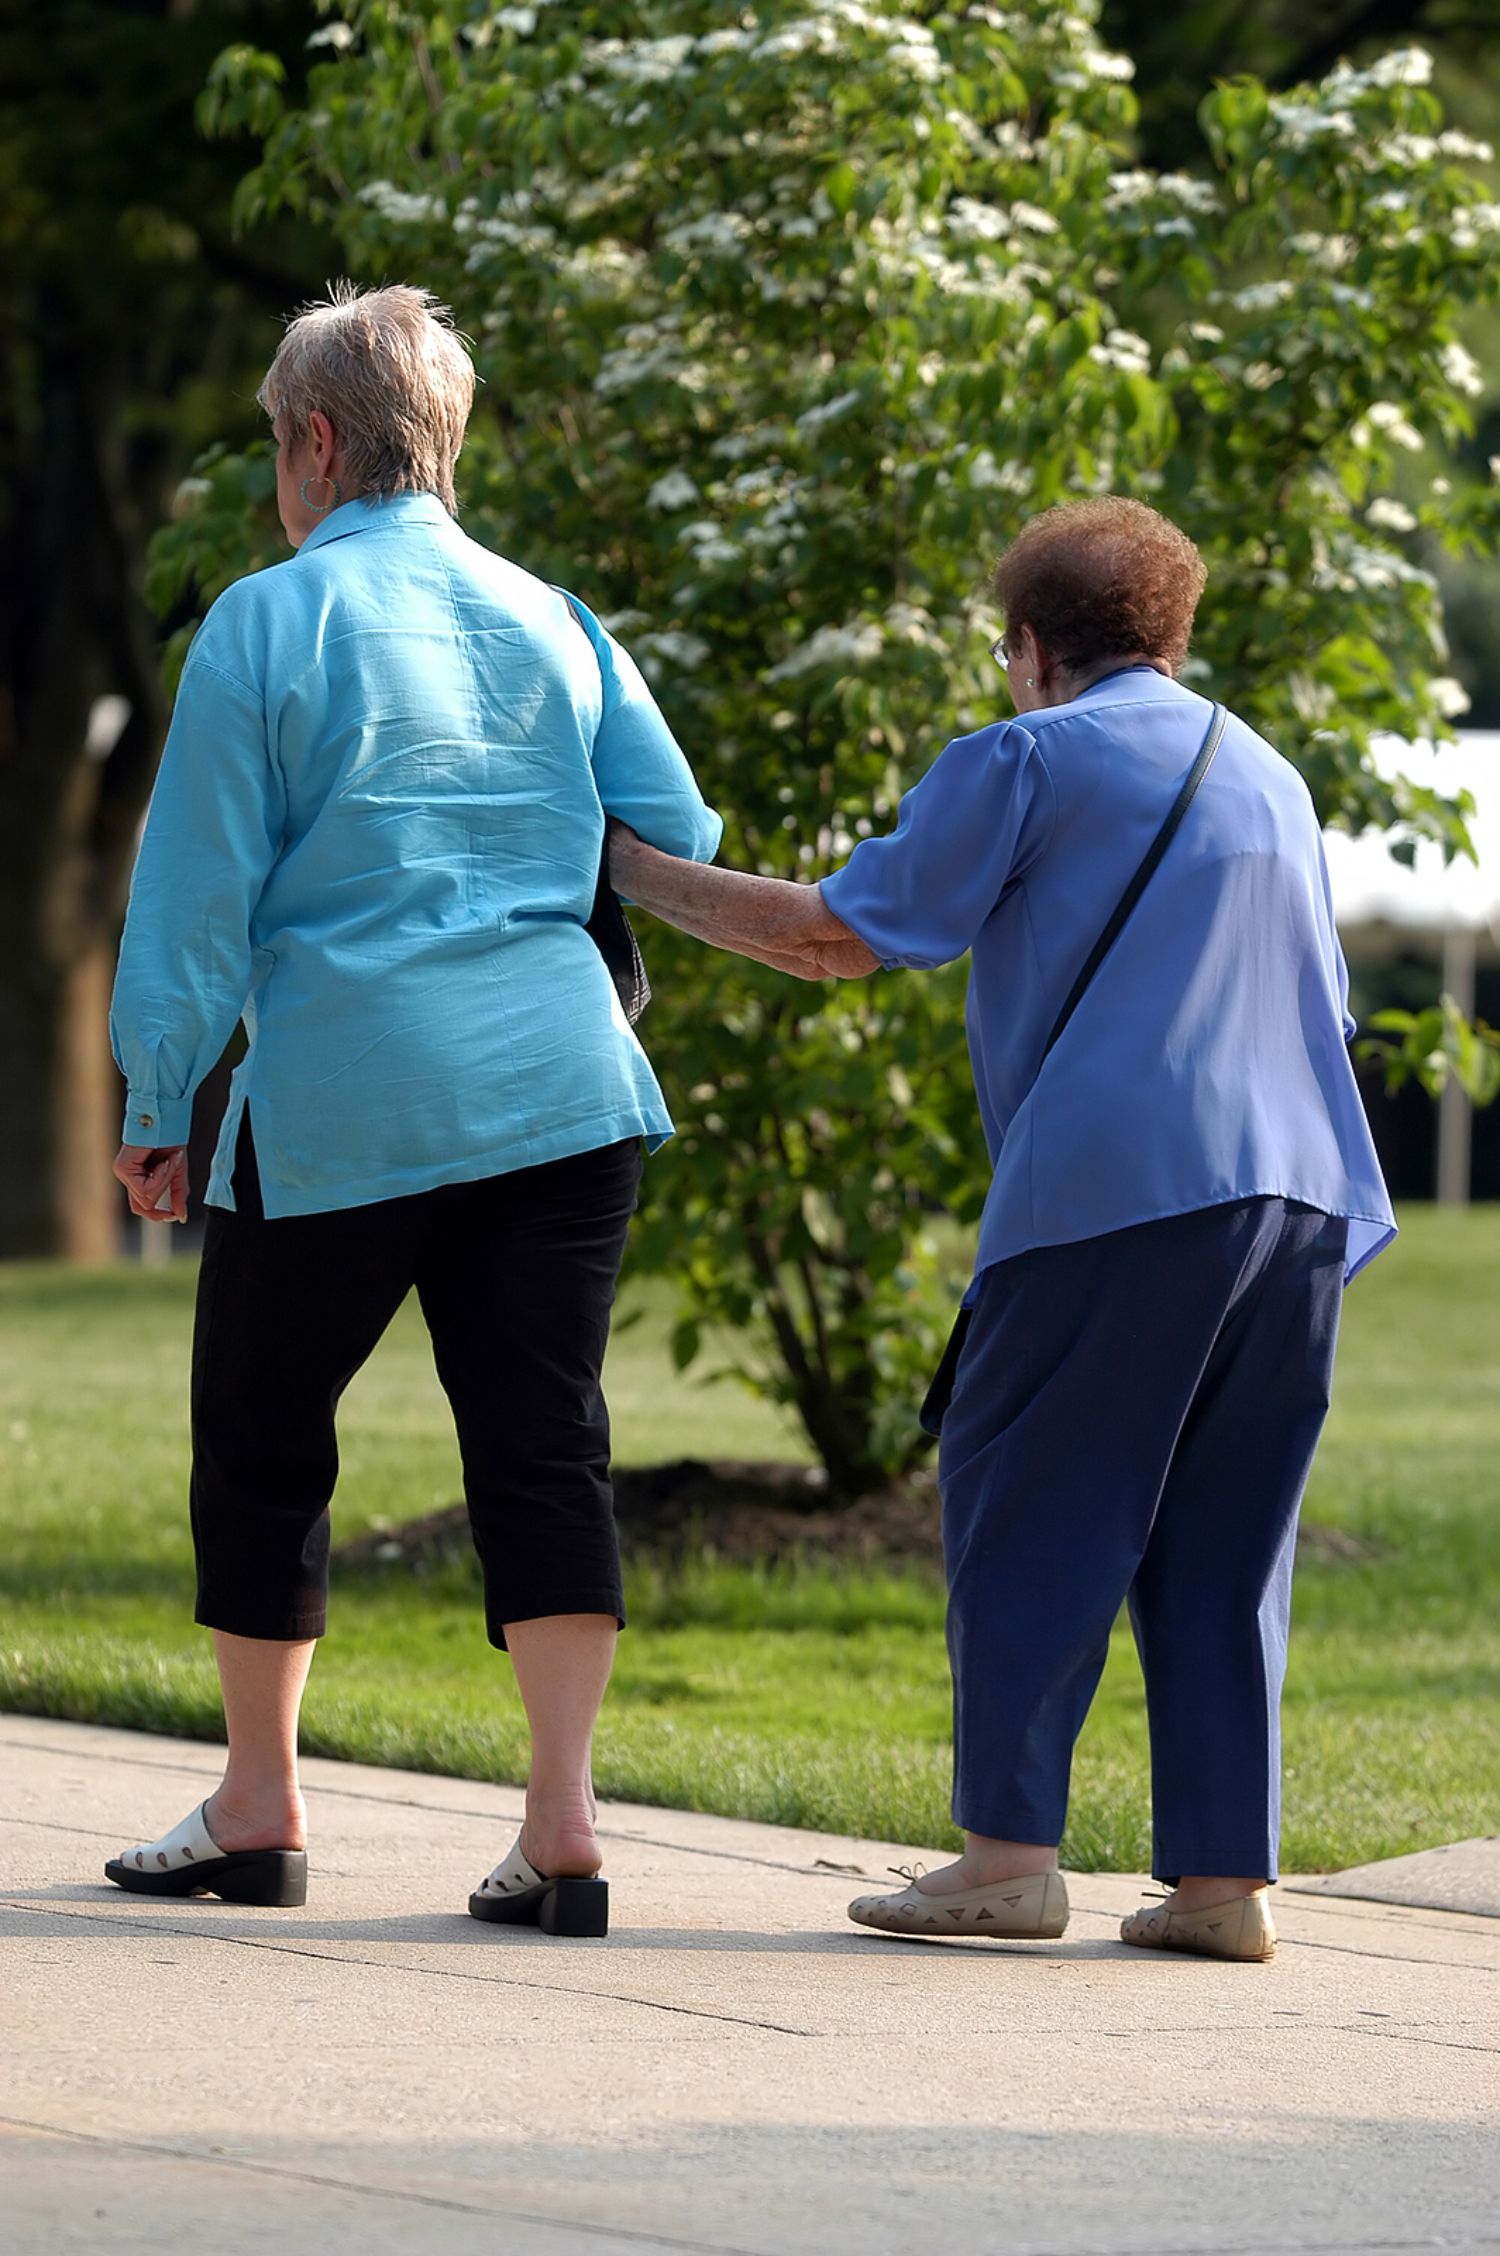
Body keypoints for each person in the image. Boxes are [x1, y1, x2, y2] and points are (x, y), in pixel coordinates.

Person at [609, 496, 1394, 1964]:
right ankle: (1225, 1884)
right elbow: (1323, 1004)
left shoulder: (1023, 757)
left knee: (1028, 1499)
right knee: (1227, 1545)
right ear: (1171, 629)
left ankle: (1008, 1859)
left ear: (1030, 647)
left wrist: (633, 872)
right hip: (1301, 1196)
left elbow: (833, 935)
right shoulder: (1270, 774)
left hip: (1112, 1191)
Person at [106, 284, 721, 1937]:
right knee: (544, 1444)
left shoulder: (262, 621)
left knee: (263, 1436)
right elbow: (673, 820)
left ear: (314, 443)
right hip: (563, 1091)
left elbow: (193, 893)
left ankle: (258, 1808)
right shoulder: (558, 618)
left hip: (346, 1097)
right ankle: (564, 1828)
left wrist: (157, 1094)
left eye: (271, 450)